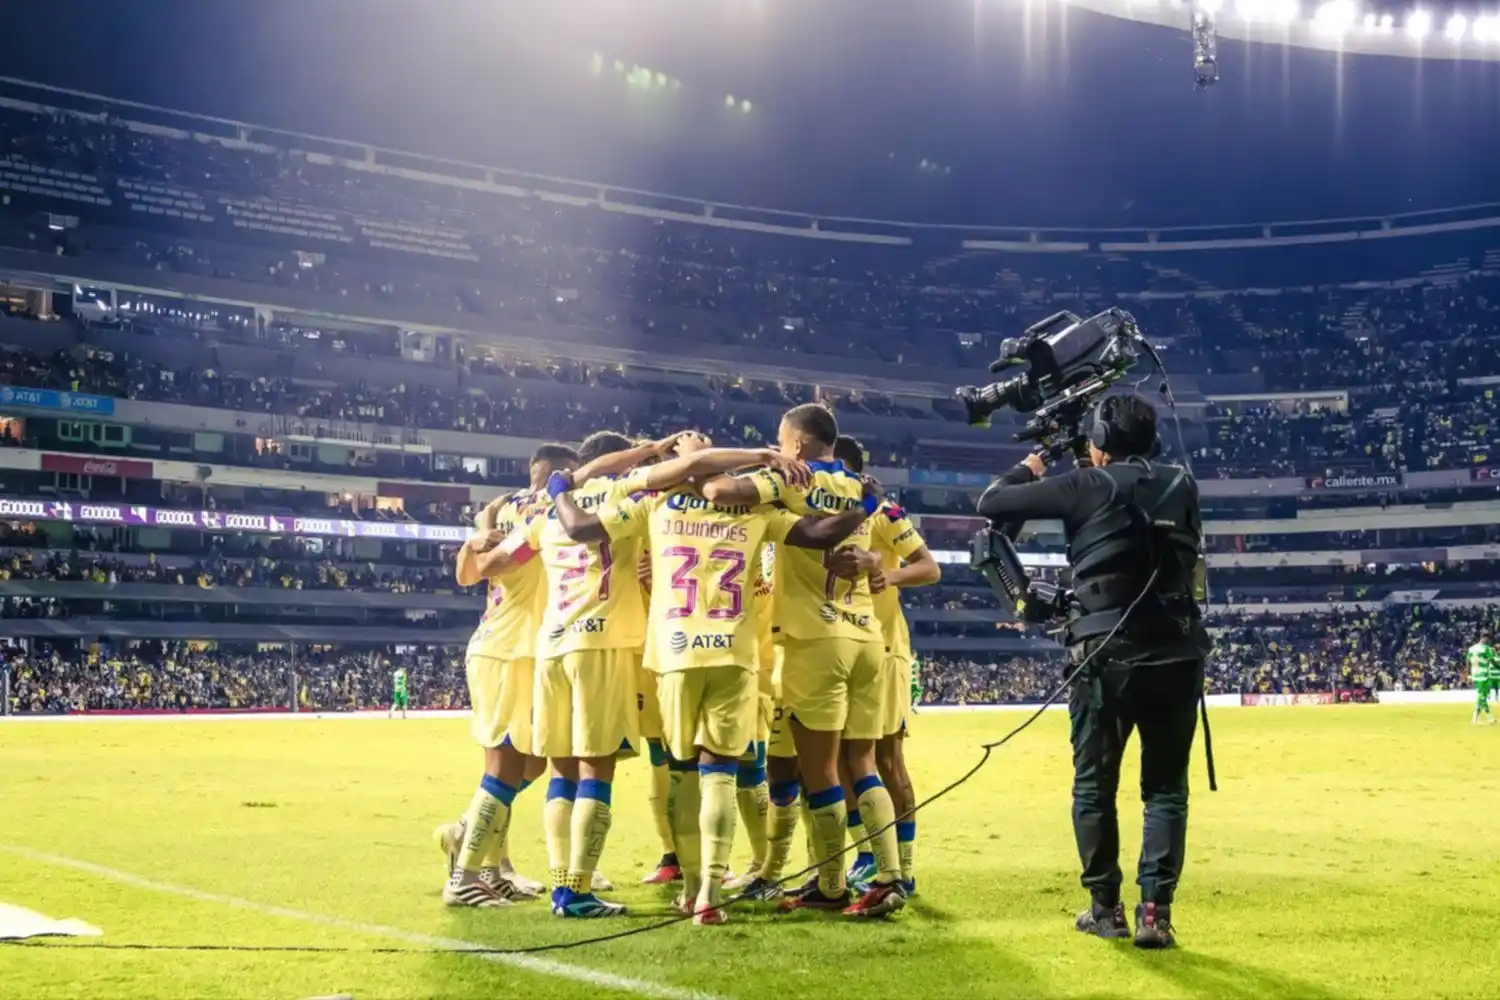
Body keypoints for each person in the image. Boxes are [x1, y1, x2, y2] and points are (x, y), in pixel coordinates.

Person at [487, 433, 811, 918]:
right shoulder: (720, 502)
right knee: (717, 770)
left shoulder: (604, 505)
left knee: (581, 771)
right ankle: (708, 890)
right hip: (684, 649)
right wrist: (774, 463)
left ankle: (568, 883)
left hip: (580, 647)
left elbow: (488, 562)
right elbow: (809, 527)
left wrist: (496, 529)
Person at [549, 461, 872, 924]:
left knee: (681, 774)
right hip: (735, 655)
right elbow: (822, 535)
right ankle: (711, 895)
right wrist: (865, 506)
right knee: (720, 771)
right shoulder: (757, 510)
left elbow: (580, 527)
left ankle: (689, 885)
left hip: (676, 654)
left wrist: (561, 487)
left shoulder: (656, 502)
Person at [974, 394, 1208, 950]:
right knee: (1166, 791)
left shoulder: (1088, 485)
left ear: (1100, 439)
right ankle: (1156, 913)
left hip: (1106, 659)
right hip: (1178, 655)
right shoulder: (1182, 482)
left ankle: (1106, 909)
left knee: (1095, 788)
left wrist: (1035, 463)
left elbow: (992, 503)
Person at [701, 403, 906, 918]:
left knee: (820, 775)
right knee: (862, 764)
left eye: (779, 439)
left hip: (815, 640)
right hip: (866, 637)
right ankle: (890, 875)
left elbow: (721, 491)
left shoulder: (792, 479)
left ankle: (832, 885)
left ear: (795, 443)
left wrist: (760, 466)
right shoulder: (863, 487)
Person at [433, 443, 578, 908]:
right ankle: (468, 874)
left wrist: (479, 533)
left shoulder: (505, 509)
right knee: (507, 764)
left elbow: (466, 571)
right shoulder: (542, 511)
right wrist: (479, 543)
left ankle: (483, 853)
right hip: (508, 650)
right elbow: (476, 571)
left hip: (521, 650)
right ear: (560, 474)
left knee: (530, 763)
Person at [829, 435, 940, 896]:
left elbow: (930, 567)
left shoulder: (883, 511)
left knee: (885, 758)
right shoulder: (821, 513)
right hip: (839, 644)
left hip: (885, 648)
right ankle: (868, 855)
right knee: (838, 758)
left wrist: (887, 573)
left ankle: (905, 869)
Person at [1468, 631, 1496, 725]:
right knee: (1482, 697)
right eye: (1488, 640)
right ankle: (1489, 716)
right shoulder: (1486, 649)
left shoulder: (1472, 648)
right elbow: (1492, 661)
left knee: (1480, 696)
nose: (1489, 642)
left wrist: (1469, 674)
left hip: (1475, 675)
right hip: (1484, 675)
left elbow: (1467, 661)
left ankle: (1474, 718)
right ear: (1485, 638)